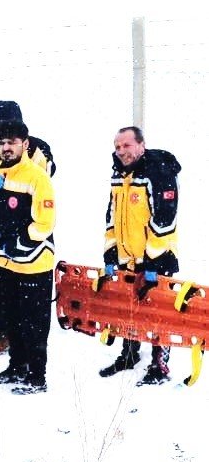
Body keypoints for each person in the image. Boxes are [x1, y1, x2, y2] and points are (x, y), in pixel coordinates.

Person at [0, 119, 56, 394]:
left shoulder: (37, 177)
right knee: (13, 318)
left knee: (34, 322)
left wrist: (19, 242)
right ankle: (16, 367)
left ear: (25, 144)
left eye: (12, 143)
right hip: (5, 262)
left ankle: (37, 376)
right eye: (3, 143)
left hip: (33, 263)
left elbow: (45, 223)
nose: (6, 148)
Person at [99, 126, 181, 385]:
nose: (121, 151)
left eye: (126, 145)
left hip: (156, 259)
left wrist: (152, 261)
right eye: (117, 146)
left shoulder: (159, 173)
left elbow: (165, 219)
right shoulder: (119, 175)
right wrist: (111, 253)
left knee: (158, 310)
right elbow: (112, 215)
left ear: (141, 145)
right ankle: (129, 353)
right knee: (128, 308)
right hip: (128, 257)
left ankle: (160, 364)